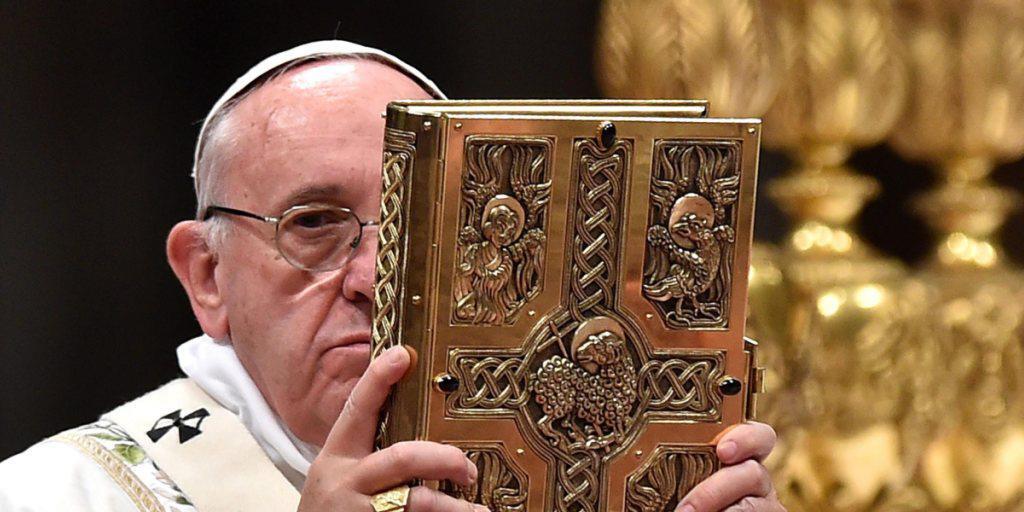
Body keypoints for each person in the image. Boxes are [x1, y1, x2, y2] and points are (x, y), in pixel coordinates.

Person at [0, 41, 784, 512]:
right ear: (207, 275)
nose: (378, 277)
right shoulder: (60, 495)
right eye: (313, 224)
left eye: (425, 229)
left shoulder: (595, 477)